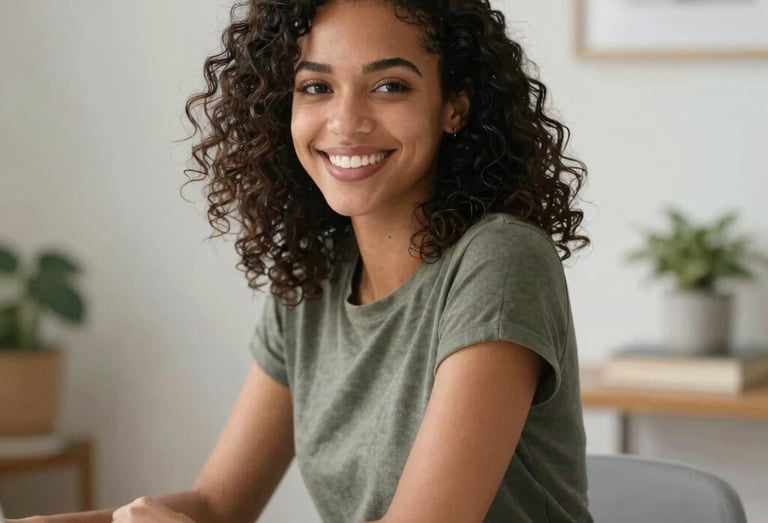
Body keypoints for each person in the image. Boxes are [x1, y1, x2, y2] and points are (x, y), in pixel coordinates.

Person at [13, 0, 592, 521]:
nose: (346, 122)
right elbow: (217, 504)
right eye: (316, 87)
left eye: (390, 86)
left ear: (455, 106)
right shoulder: (314, 278)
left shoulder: (499, 260)